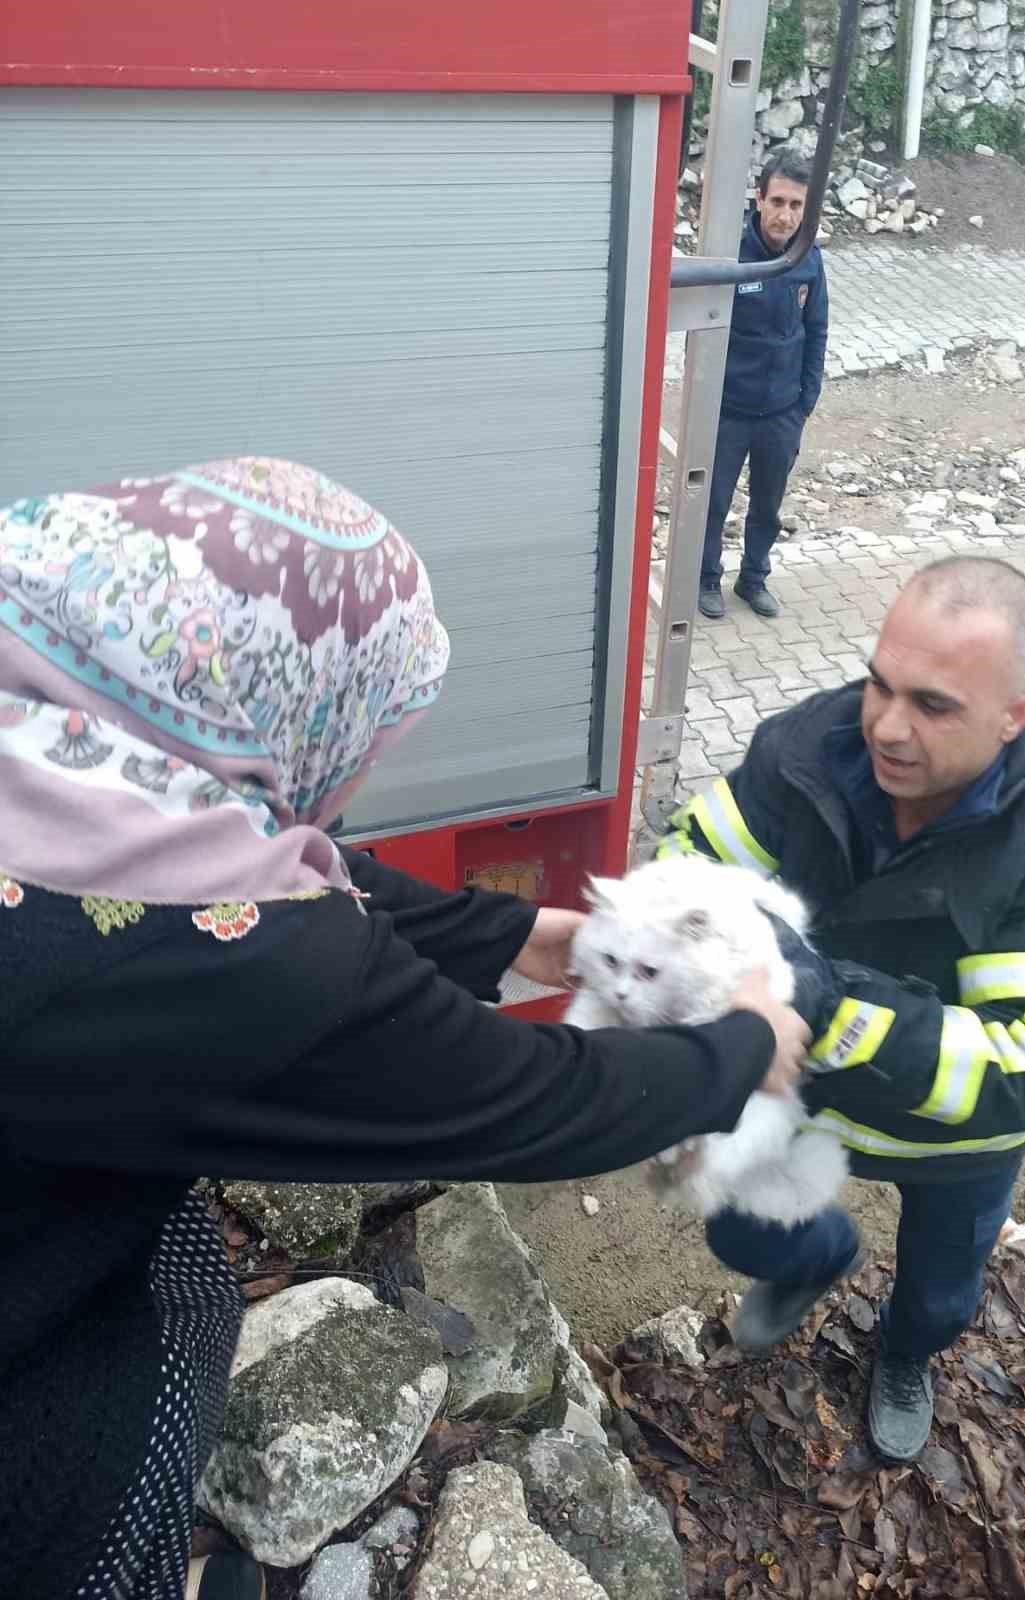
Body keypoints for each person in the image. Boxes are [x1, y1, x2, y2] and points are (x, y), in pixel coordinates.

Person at [0, 457, 812, 1600]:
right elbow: (528, 1101)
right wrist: (742, 1050)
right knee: (104, 1406)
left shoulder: (65, 733)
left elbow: (261, 863)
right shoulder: (227, 956)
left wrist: (522, 934)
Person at [660, 555, 1025, 1464]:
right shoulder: (809, 747)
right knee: (737, 1222)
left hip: (953, 1145)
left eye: (932, 705)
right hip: (797, 1092)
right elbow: (692, 856)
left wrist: (821, 1002)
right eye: (879, 685)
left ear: (1016, 717)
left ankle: (906, 1355)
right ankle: (815, 1259)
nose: (885, 726)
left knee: (940, 1297)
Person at [698, 149, 829, 623]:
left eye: (797, 205)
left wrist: (804, 402)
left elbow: (817, 331)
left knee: (768, 505)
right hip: (730, 412)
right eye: (778, 201)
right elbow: (706, 336)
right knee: (712, 503)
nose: (786, 215)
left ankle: (753, 578)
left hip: (782, 414)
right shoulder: (732, 259)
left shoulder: (808, 259)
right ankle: (706, 578)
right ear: (759, 199)